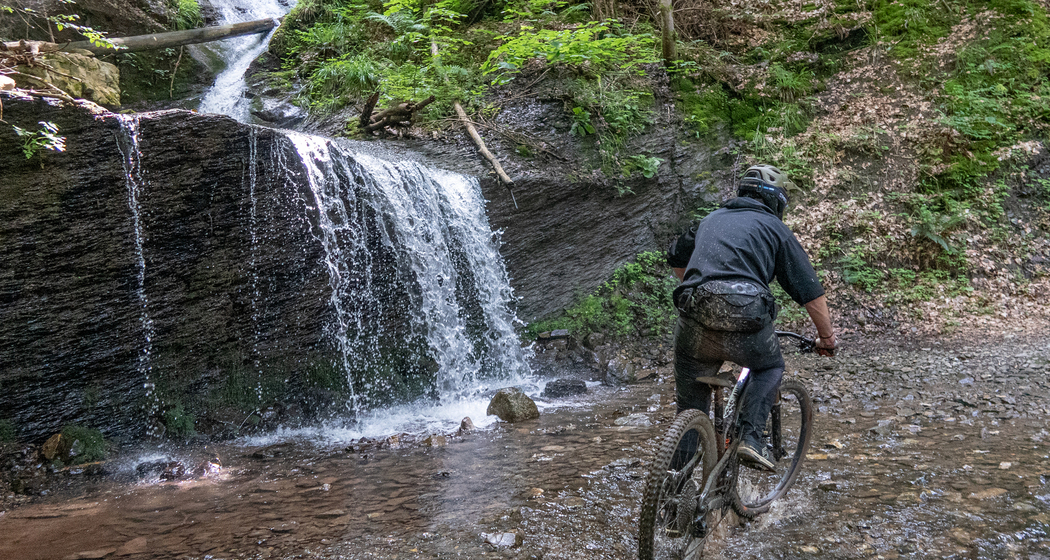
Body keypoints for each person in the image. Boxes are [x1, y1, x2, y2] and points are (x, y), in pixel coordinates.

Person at [666, 164, 837, 471]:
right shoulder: (774, 228)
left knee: (689, 408)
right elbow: (810, 291)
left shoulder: (712, 219)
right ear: (776, 201)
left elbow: (676, 254)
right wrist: (827, 338)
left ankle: (671, 493)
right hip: (747, 316)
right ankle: (750, 439)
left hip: (695, 316)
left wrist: (698, 287)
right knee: (770, 367)